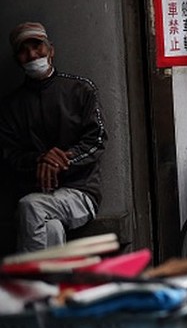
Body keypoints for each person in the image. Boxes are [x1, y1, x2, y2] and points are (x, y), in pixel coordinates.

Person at [0, 22, 107, 252]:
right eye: (23, 50)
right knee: (52, 229)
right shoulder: (11, 106)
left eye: (37, 46)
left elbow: (96, 141)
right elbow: (9, 155)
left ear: (51, 50)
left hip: (80, 192)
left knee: (32, 207)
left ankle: (31, 286)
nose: (31, 54)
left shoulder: (81, 89)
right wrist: (40, 160)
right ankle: (56, 287)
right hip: (35, 192)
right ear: (17, 59)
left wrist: (58, 162)